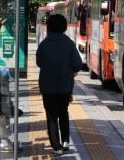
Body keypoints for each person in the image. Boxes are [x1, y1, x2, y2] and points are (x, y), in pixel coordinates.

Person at [36, 14, 82, 155]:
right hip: (65, 86)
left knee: (51, 116)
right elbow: (77, 64)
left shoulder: (44, 44)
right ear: (64, 27)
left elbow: (39, 62)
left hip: (48, 87)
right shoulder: (69, 43)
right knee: (63, 112)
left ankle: (56, 147)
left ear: (49, 27)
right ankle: (65, 141)